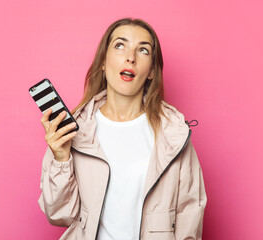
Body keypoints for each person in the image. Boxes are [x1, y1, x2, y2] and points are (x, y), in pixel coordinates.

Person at [38, 18, 207, 240]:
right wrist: (61, 159)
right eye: (120, 45)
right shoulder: (78, 130)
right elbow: (59, 215)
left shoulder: (173, 134)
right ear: (103, 62)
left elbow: (189, 214)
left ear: (152, 72)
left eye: (143, 50)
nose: (131, 57)